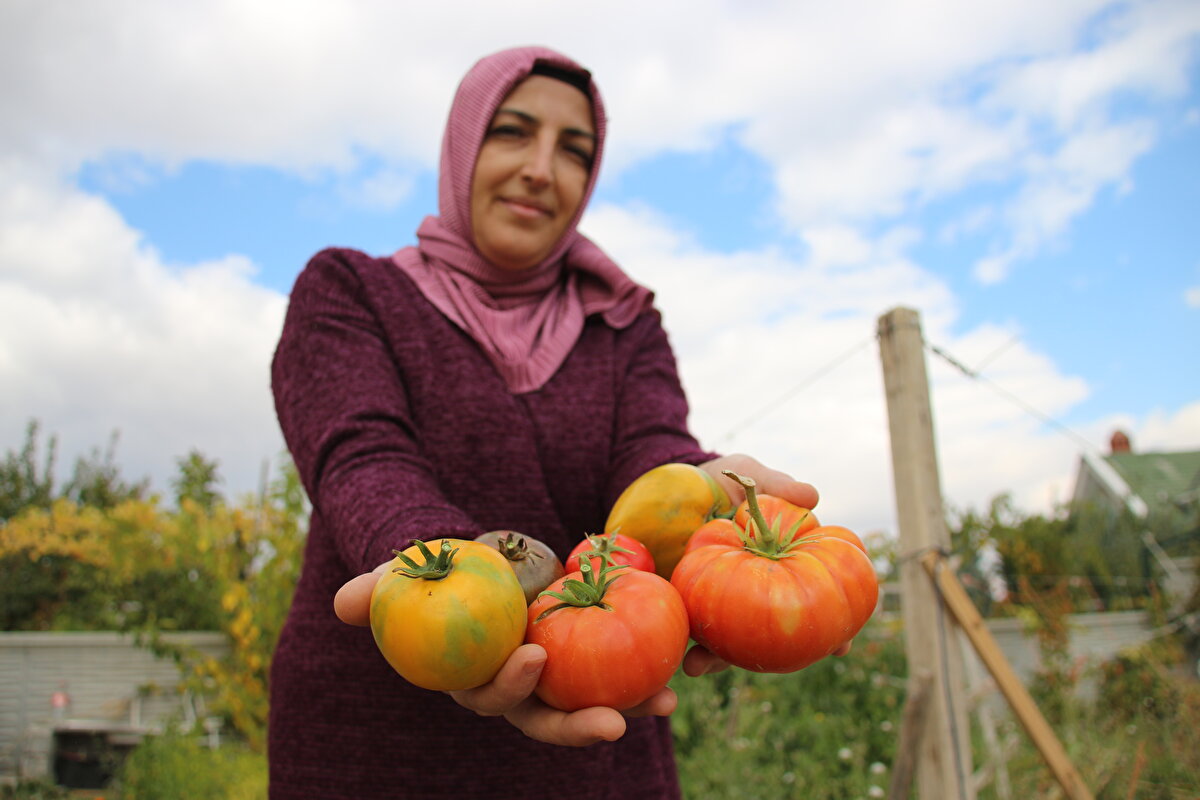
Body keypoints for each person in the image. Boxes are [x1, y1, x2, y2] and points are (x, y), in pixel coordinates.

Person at [269, 45, 832, 800]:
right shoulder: (351, 290)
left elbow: (649, 451)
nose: (542, 168)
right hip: (375, 742)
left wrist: (698, 493)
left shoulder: (623, 323)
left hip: (592, 725)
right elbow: (361, 454)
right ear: (462, 145)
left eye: (575, 151)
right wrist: (442, 571)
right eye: (512, 132)